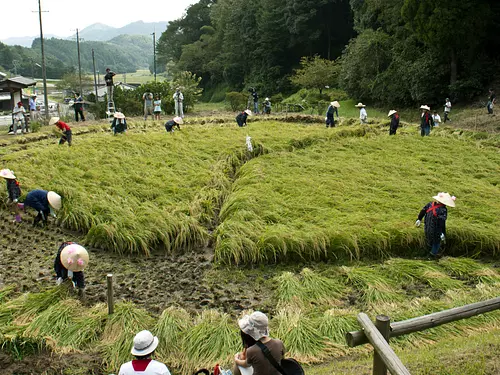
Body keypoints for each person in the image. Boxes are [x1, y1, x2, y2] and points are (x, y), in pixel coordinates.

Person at [415, 192, 456, 258]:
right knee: (436, 243)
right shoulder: (443, 210)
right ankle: (431, 256)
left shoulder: (430, 204)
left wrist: (419, 219)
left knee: (429, 241)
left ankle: (425, 254)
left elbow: (423, 211)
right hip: (436, 230)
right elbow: (441, 222)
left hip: (427, 227)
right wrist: (442, 233)